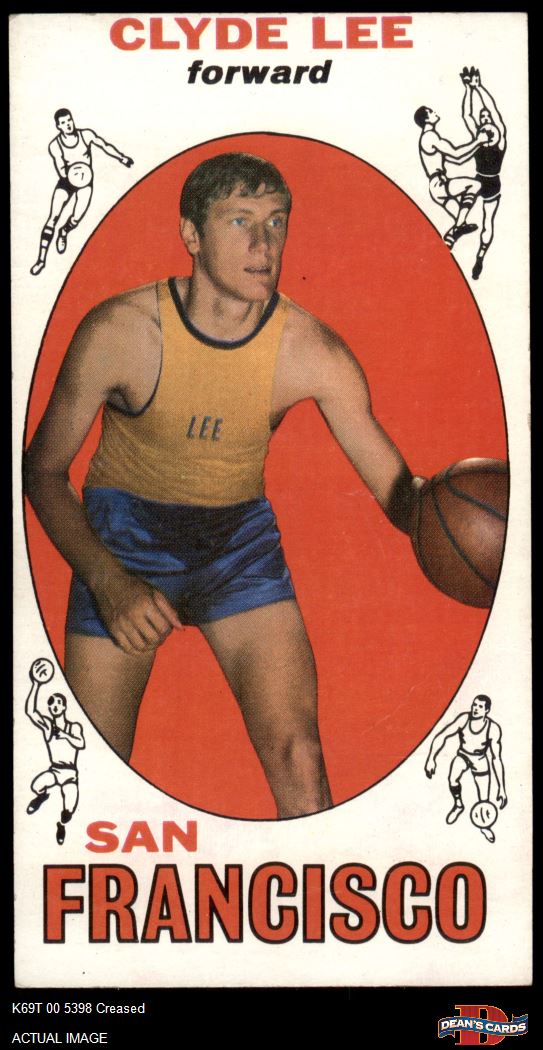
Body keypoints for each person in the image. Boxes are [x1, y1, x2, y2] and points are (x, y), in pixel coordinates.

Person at [25, 152, 426, 819]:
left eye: (276, 222)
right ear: (191, 235)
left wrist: (470, 517)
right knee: (92, 767)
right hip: (121, 541)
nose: (263, 245)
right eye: (240, 220)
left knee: (300, 757)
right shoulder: (121, 331)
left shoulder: (311, 350)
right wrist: (108, 580)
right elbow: (41, 469)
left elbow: (403, 498)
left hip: (237, 543)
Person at [30, 108, 134, 276]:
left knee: (76, 218)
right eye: (63, 123)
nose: (68, 124)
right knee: (53, 218)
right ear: (58, 126)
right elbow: (61, 169)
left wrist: (121, 158)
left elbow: (104, 146)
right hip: (67, 182)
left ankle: (64, 231)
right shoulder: (55, 145)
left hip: (86, 183)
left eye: (69, 120)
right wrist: (73, 173)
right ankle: (41, 260)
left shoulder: (86, 135)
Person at [424, 694, 507, 842]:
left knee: (484, 799)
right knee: (452, 779)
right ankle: (458, 805)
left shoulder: (493, 729)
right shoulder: (464, 719)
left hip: (480, 760)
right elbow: (442, 736)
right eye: (474, 705)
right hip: (463, 755)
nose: (475, 708)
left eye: (480, 706)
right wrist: (431, 758)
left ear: (486, 710)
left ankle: (484, 826)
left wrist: (501, 788)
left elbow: (496, 759)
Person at [25, 669, 85, 845]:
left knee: (69, 810)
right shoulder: (48, 727)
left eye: (58, 703)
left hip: (70, 774)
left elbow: (81, 743)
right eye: (51, 704)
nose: (55, 706)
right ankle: (42, 796)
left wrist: (65, 735)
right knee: (35, 786)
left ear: (64, 707)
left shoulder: (74, 727)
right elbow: (31, 712)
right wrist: (36, 684)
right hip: (55, 770)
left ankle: (61, 825)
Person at [414, 105, 488, 248]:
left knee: (459, 223)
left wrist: (478, 144)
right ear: (426, 119)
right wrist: (479, 141)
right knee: (475, 185)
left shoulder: (430, 137)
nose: (435, 112)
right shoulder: (430, 136)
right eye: (431, 111)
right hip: (439, 184)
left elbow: (458, 160)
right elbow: (456, 154)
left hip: (436, 188)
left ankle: (448, 240)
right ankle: (457, 228)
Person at [460, 67, 507, 279]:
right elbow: (467, 115)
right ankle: (458, 227)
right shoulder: (478, 138)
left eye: (487, 117)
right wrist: (468, 89)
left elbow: (494, 112)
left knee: (488, 221)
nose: (485, 118)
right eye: (483, 117)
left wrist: (479, 87)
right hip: (478, 180)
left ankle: (480, 256)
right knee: (463, 202)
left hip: (493, 183)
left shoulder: (500, 140)